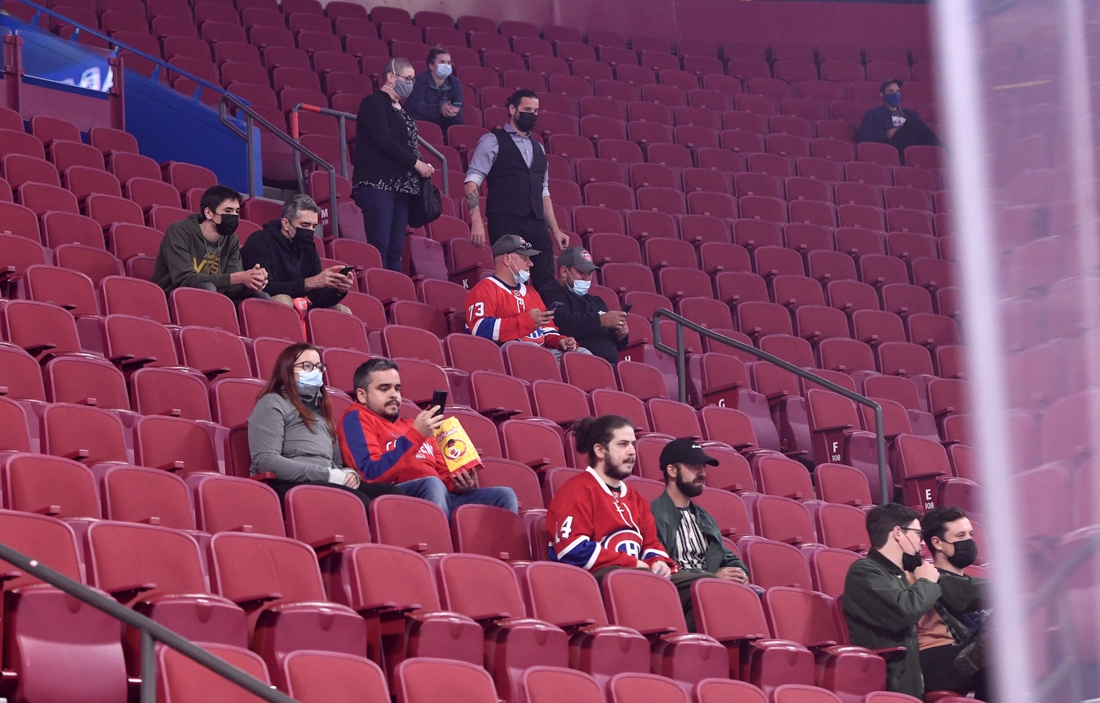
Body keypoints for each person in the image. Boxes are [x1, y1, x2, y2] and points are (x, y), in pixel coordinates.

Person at [338, 358, 518, 519]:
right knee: (432, 484)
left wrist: (459, 483)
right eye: (384, 388)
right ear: (362, 395)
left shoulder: (413, 425)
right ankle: (440, 551)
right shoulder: (356, 418)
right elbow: (371, 474)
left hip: (440, 496)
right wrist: (417, 435)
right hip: (397, 497)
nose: (394, 394)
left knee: (504, 495)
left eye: (397, 388)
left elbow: (443, 475)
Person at [247, 343, 403, 511]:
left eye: (318, 367)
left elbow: (337, 465)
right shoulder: (272, 403)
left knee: (392, 496)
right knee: (357, 502)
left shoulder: (323, 415)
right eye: (307, 366)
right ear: (287, 369)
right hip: (287, 485)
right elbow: (265, 461)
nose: (314, 371)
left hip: (324, 483)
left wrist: (352, 475)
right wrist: (326, 475)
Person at [546, 415, 678, 584]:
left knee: (701, 583)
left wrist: (659, 563)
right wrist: (633, 564)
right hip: (591, 582)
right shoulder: (576, 491)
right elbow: (572, 550)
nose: (631, 451)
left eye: (633, 444)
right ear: (600, 451)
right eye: (623, 444)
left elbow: (651, 545)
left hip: (640, 577)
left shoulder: (637, 499)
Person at [463, 88, 570, 290]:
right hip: (506, 219)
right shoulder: (492, 141)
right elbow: (472, 181)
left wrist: (555, 230)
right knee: (510, 277)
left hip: (536, 222)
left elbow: (544, 192)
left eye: (536, 111)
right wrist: (476, 221)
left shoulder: (539, 148)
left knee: (545, 280)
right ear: (512, 109)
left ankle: (544, 321)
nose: (533, 115)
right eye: (527, 109)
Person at [843, 503, 943, 698]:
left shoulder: (896, 575)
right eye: (917, 534)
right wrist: (926, 581)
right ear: (898, 533)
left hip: (908, 678)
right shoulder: (864, 571)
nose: (922, 543)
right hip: (888, 681)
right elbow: (905, 611)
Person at [649, 439, 750, 631]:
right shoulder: (652, 515)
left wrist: (740, 573)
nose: (702, 473)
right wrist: (713, 577)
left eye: (703, 467)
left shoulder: (703, 517)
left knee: (757, 598)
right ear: (672, 471)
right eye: (694, 466)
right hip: (680, 596)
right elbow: (660, 569)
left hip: (711, 590)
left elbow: (726, 556)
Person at [352, 57, 435, 272]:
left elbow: (407, 145)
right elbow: (384, 141)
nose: (410, 83)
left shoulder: (402, 112)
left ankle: (394, 293)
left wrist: (422, 165)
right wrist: (416, 164)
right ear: (391, 77)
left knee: (396, 250)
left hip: (402, 189)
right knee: (379, 245)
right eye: (407, 78)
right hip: (378, 184)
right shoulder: (373, 103)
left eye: (413, 80)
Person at [917, 507, 990, 700]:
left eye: (971, 534)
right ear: (937, 543)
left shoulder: (974, 581)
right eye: (960, 535)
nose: (969, 541)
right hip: (947, 660)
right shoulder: (929, 579)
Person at [152, 184, 269, 300]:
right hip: (173, 298)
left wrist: (252, 280)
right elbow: (185, 279)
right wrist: (239, 277)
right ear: (208, 213)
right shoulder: (179, 232)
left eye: (236, 212)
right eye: (228, 211)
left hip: (215, 298)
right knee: (208, 288)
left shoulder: (231, 238)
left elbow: (232, 288)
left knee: (261, 297)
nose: (234, 216)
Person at [465, 234, 578, 355]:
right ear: (507, 259)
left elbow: (548, 330)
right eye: (525, 258)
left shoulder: (532, 293)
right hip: (506, 354)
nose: (531, 264)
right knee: (528, 349)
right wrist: (527, 321)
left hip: (542, 353)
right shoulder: (484, 289)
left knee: (581, 353)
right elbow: (479, 328)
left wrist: (560, 340)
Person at [240, 194, 353, 313]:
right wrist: (309, 282)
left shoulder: (310, 247)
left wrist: (339, 290)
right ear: (286, 223)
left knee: (343, 310)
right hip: (262, 302)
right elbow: (264, 288)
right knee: (284, 300)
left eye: (314, 226)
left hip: (300, 303)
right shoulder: (260, 241)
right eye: (305, 225)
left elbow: (317, 297)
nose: (310, 231)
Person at [537, 246, 629, 365]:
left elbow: (614, 345)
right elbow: (561, 323)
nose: (586, 278)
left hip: (610, 366)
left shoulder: (597, 301)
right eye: (581, 273)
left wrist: (620, 335)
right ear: (564, 271)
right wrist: (601, 321)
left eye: (589, 273)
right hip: (579, 362)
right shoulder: (551, 292)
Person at [858, 79, 941, 160]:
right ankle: (944, 149)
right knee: (917, 123)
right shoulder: (874, 113)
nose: (895, 94)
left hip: (911, 143)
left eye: (897, 91)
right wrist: (886, 134)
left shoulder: (910, 114)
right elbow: (865, 136)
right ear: (882, 95)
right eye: (891, 91)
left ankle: (942, 150)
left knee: (918, 124)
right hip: (892, 144)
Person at [404, 47, 464, 131]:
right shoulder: (420, 81)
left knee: (458, 123)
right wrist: (439, 109)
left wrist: (453, 111)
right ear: (431, 66)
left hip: (443, 120)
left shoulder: (455, 82)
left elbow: (460, 106)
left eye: (449, 63)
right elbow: (415, 107)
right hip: (422, 118)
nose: (446, 66)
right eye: (442, 62)